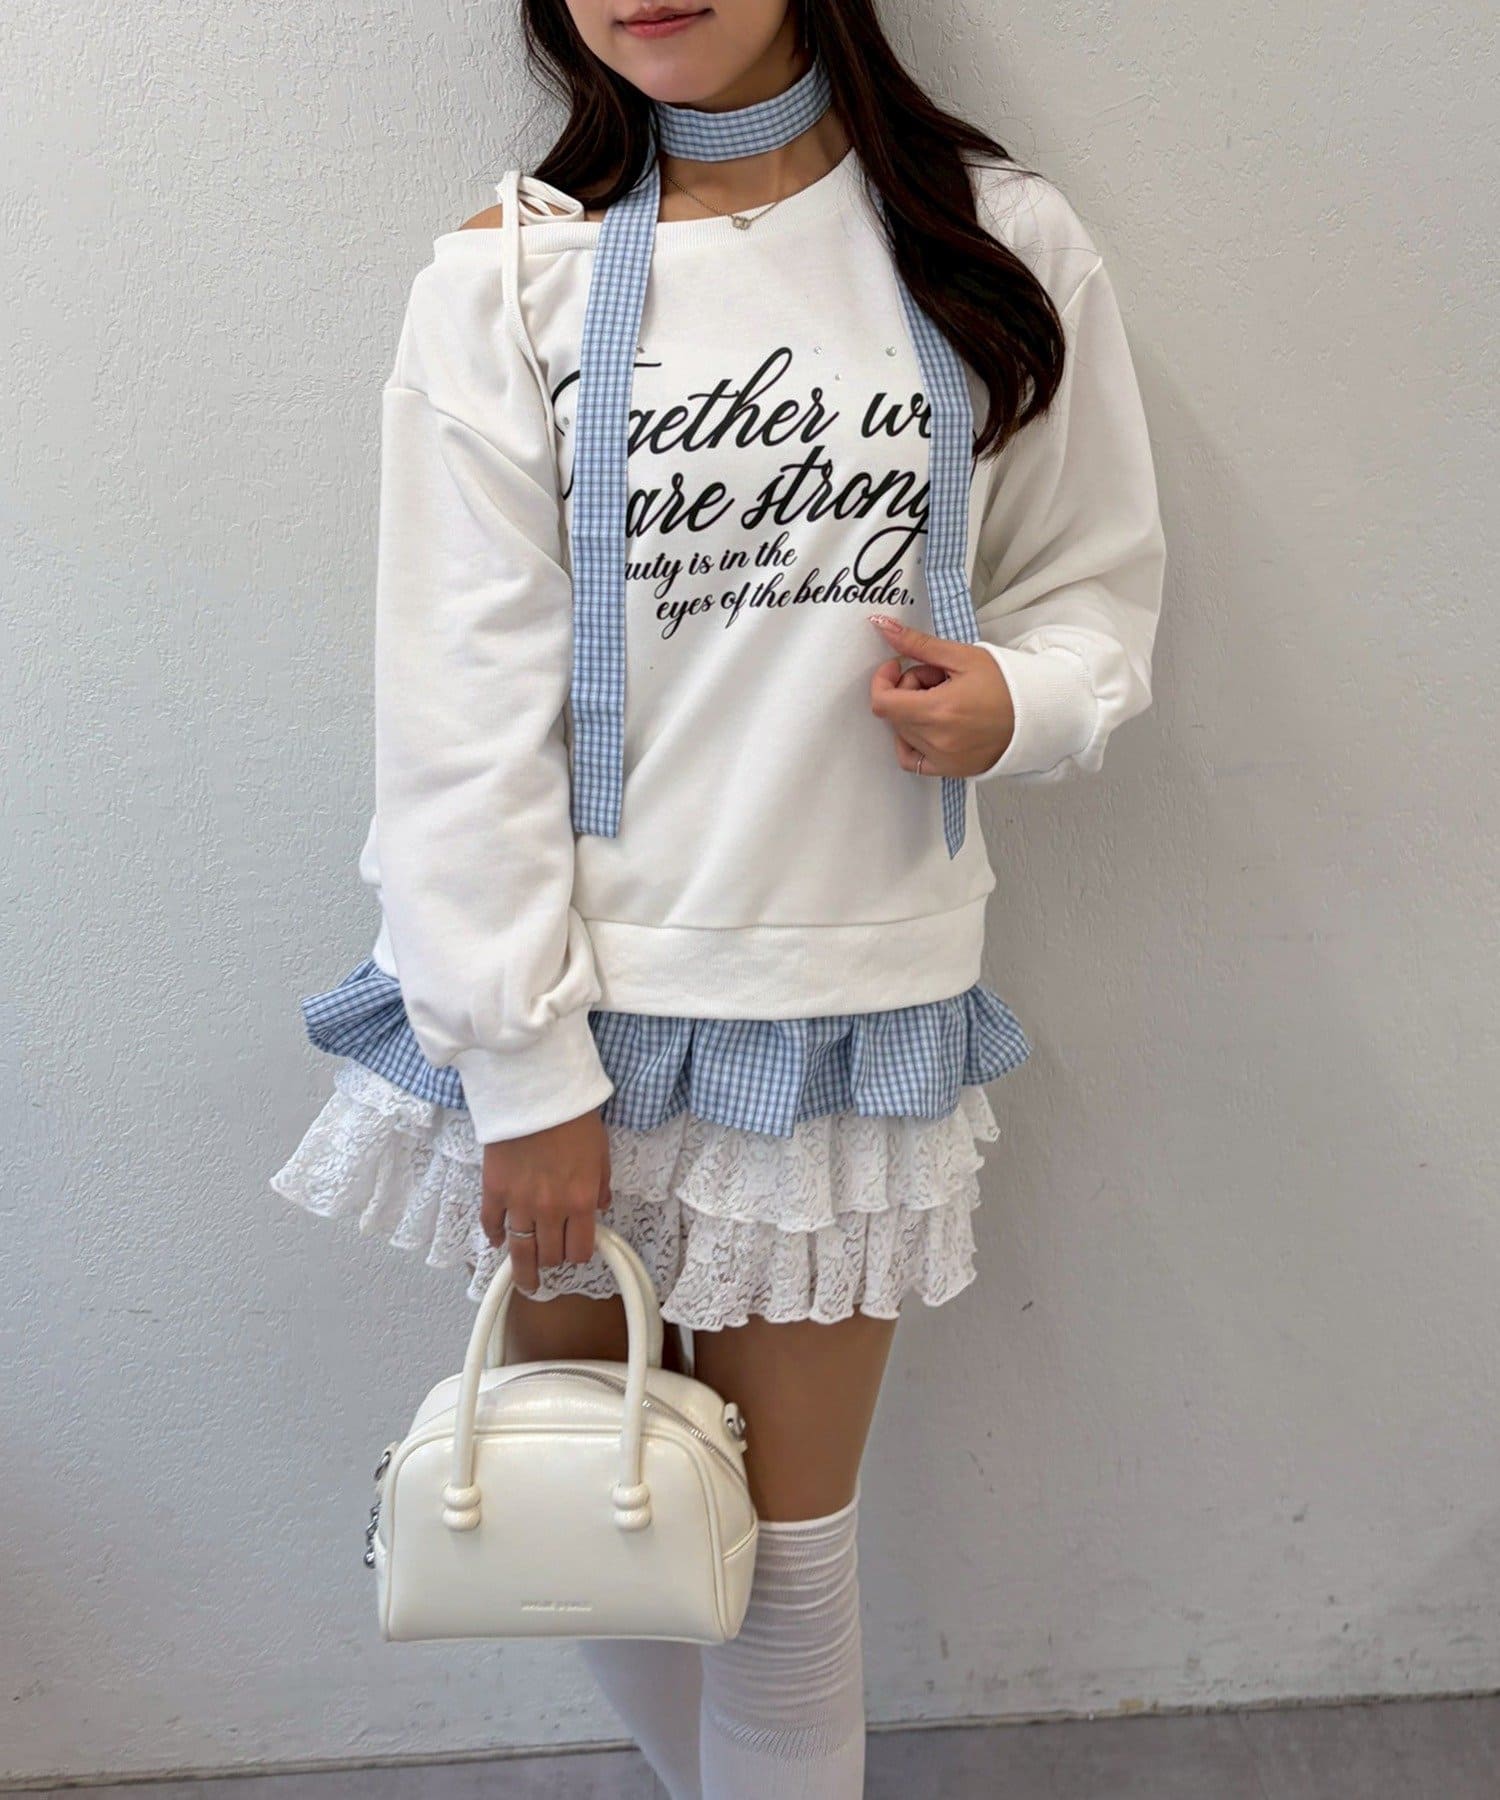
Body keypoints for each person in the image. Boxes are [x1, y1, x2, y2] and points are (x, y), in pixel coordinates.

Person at [271, 1, 1166, 1792]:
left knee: (785, 1563)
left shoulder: (995, 239)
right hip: (568, 1004)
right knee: (589, 1521)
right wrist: (524, 1071)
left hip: (842, 1007)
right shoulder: (507, 277)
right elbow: (453, 718)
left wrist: (1023, 701)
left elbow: (1094, 582)